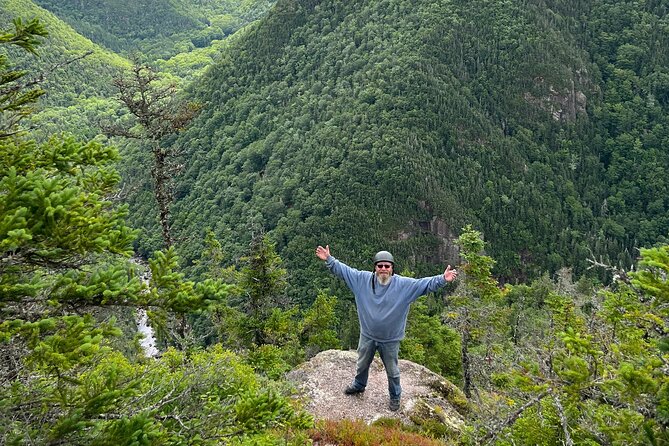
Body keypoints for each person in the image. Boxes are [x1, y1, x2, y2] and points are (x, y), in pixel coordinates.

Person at [315, 244, 457, 411]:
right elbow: (344, 271)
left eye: (387, 266)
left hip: (390, 339)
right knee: (361, 364)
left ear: (392, 269)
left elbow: (424, 284)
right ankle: (359, 385)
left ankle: (395, 396)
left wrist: (442, 279)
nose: (383, 269)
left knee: (392, 371)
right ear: (375, 268)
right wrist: (329, 260)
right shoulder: (362, 280)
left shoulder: (404, 286)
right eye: (380, 266)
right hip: (367, 335)